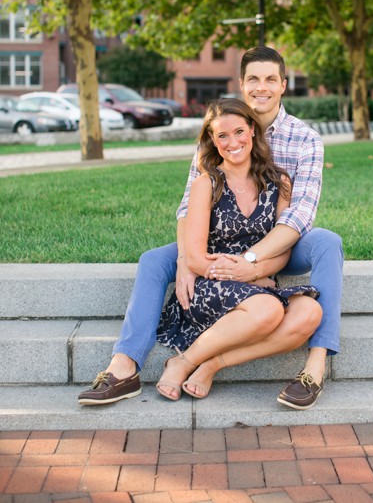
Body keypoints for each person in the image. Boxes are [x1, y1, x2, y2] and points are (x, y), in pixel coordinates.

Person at [78, 46, 343, 410]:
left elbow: (297, 218)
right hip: (216, 243)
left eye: (270, 79)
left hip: (279, 244)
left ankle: (313, 367)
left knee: (328, 242)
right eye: (253, 79)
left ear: (283, 85)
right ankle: (124, 365)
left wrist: (251, 264)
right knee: (156, 260)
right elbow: (189, 203)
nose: (261, 87)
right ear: (242, 83)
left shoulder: (305, 139)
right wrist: (188, 259)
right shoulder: (217, 132)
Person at [150, 98, 321, 400]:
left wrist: (254, 271)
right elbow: (195, 256)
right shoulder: (207, 183)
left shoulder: (278, 182)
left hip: (257, 283)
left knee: (309, 312)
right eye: (222, 136)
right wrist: (246, 277)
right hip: (210, 286)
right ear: (213, 142)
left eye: (239, 131)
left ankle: (212, 363)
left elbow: (282, 248)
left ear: (253, 130)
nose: (233, 142)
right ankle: (183, 361)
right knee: (268, 308)